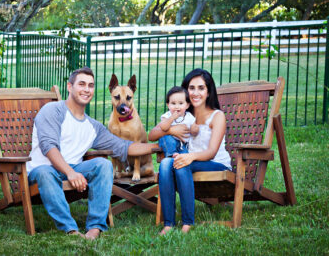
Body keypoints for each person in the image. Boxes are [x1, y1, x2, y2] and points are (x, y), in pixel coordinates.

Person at [27, 67, 158, 240]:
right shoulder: (53, 110)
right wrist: (70, 172)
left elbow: (124, 147)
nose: (87, 89)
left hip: (74, 169)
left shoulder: (93, 126)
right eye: (81, 84)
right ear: (69, 87)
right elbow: (49, 148)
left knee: (103, 164)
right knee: (45, 171)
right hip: (43, 170)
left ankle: (95, 227)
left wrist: (157, 146)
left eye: (91, 85)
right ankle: (71, 230)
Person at [148, 68, 232, 235]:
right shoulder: (183, 114)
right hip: (190, 161)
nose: (195, 93)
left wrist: (189, 157)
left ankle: (188, 222)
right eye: (191, 88)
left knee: (179, 164)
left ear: (208, 92)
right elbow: (152, 134)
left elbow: (212, 152)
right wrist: (171, 130)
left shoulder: (217, 116)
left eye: (201, 88)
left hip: (216, 164)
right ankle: (169, 224)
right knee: (165, 163)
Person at [158, 86, 198, 157]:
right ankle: (172, 154)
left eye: (180, 103)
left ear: (187, 105)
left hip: (183, 144)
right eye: (173, 103)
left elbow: (195, 130)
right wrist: (172, 118)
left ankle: (182, 157)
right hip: (170, 141)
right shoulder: (167, 116)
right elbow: (163, 127)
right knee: (166, 138)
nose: (177, 106)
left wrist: (194, 130)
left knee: (185, 152)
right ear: (168, 105)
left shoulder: (189, 117)